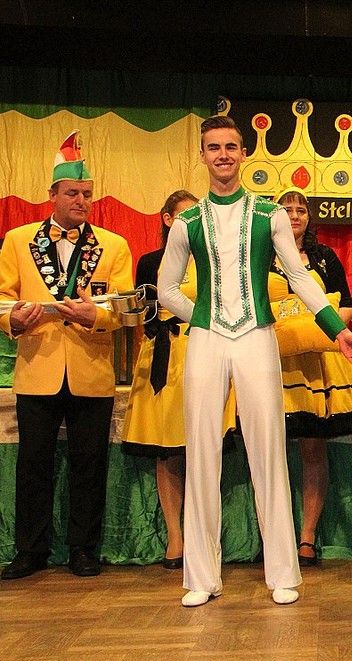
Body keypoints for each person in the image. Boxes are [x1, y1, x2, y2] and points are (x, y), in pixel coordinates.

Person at [157, 115, 352, 607]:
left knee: (268, 448)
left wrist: (338, 331)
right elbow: (166, 289)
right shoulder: (187, 222)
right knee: (201, 450)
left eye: (230, 146)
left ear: (244, 153)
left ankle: (283, 572)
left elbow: (301, 277)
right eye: (214, 147)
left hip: (256, 336)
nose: (223, 155)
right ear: (202, 155)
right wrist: (202, 316)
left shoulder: (269, 215)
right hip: (207, 340)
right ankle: (201, 577)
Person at [0, 130, 133, 579]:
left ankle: (84, 549)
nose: (81, 201)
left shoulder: (114, 245)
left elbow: (122, 309)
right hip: (37, 368)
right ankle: (30, 551)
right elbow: (2, 298)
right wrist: (13, 321)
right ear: (52, 195)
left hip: (91, 370)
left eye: (87, 194)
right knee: (33, 464)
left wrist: (96, 316)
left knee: (89, 465)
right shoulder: (17, 240)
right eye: (73, 193)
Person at [121, 190, 236, 569]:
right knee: (167, 449)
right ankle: (176, 536)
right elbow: (144, 313)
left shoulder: (213, 260)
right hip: (163, 358)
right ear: (167, 219)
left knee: (204, 447)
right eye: (184, 216)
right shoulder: (150, 262)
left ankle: (206, 535)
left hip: (203, 351)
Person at [270, 187, 352, 565]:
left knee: (313, 448)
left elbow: (345, 306)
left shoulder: (325, 257)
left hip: (318, 367)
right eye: (287, 209)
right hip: (272, 365)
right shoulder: (259, 256)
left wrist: (317, 330)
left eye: (301, 210)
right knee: (266, 451)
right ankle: (273, 536)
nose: (295, 216)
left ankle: (307, 537)